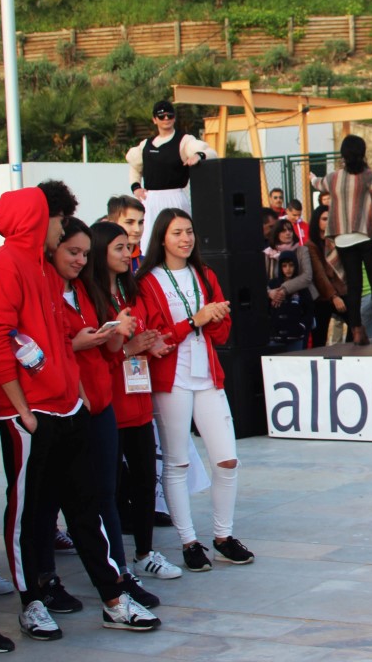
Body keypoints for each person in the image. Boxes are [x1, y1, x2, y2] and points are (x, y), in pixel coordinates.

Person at [0, 183, 160, 642]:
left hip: (68, 406)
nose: (64, 226)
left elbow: (61, 335)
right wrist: (20, 409)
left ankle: (113, 597)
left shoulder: (43, 270)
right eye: (58, 219)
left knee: (88, 506)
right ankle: (32, 602)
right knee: (30, 512)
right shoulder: (4, 265)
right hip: (30, 413)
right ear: (35, 221)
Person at [48, 218, 161, 611]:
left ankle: (120, 578)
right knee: (70, 501)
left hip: (103, 405)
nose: (128, 253)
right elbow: (48, 347)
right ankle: (48, 585)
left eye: (82, 252)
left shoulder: (86, 291)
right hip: (64, 407)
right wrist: (93, 342)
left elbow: (107, 350)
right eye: (72, 251)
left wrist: (118, 337)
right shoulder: (53, 289)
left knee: (107, 496)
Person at [135, 209, 254, 573]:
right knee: (177, 461)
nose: (185, 239)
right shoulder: (148, 281)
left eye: (189, 231)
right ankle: (188, 541)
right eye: (177, 233)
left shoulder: (205, 274)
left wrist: (215, 319)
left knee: (227, 459)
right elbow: (155, 337)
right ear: (162, 238)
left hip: (207, 376)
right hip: (171, 378)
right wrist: (194, 321)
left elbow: (221, 332)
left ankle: (223, 536)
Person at [84, 221, 182, 586]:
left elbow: (145, 335)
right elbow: (94, 354)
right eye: (119, 248)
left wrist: (152, 343)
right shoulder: (90, 298)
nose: (128, 254)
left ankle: (144, 554)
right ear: (100, 252)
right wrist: (127, 347)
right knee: (108, 489)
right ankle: (117, 567)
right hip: (107, 403)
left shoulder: (132, 292)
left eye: (129, 247)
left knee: (144, 481)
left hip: (139, 400)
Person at [310, 135, 372, 346]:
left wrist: (311, 178)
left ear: (343, 154)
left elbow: (318, 184)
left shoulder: (334, 177)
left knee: (353, 286)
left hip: (342, 238)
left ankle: (357, 331)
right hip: (365, 235)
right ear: (362, 153)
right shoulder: (368, 176)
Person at [126, 100, 214, 255]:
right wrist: (136, 187)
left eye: (169, 115)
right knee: (149, 240)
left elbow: (209, 152)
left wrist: (198, 155)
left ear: (174, 118)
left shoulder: (184, 140)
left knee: (180, 236)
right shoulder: (146, 144)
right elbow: (135, 165)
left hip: (175, 197)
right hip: (151, 199)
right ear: (155, 119)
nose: (166, 119)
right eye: (161, 116)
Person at [305, 206, 348, 348]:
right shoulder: (311, 245)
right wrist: (333, 296)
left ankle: (351, 356)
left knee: (356, 325)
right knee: (319, 337)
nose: (328, 221)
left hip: (340, 291)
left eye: (330, 218)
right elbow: (319, 274)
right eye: (324, 219)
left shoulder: (336, 240)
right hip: (322, 297)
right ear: (317, 221)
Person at [263, 219, 315, 329]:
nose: (288, 233)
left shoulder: (301, 250)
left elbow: (307, 276)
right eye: (283, 231)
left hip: (301, 301)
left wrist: (284, 289)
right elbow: (261, 280)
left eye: (290, 230)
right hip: (276, 304)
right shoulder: (268, 254)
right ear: (276, 234)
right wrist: (270, 293)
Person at [267, 252, 312, 350]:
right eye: (284, 266)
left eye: (291, 265)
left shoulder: (301, 286)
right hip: (275, 337)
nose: (288, 269)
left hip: (295, 337)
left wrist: (302, 326)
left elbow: (309, 310)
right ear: (280, 267)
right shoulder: (273, 284)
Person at [106, 194, 146, 272]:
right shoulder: (100, 262)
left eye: (140, 222)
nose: (137, 229)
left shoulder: (147, 265)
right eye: (129, 222)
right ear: (112, 223)